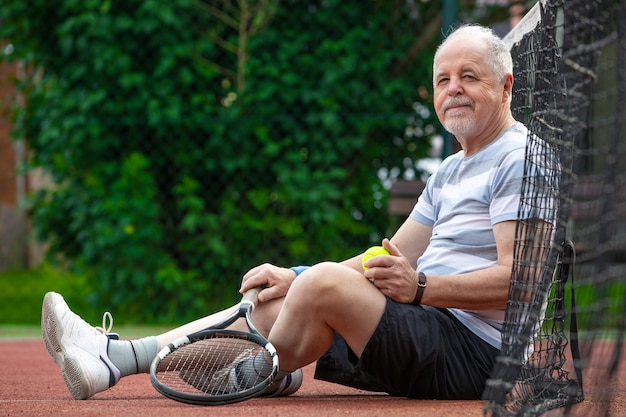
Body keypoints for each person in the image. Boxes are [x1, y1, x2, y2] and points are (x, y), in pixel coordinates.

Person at [42, 24, 530, 401]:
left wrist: (422, 288)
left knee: (318, 284)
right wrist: (297, 277)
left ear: (506, 87)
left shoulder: (519, 156)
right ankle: (114, 359)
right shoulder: (449, 170)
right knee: (276, 294)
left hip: (481, 356)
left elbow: (522, 282)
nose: (454, 89)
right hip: (431, 325)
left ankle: (257, 375)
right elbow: (389, 257)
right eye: (443, 80)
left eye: (470, 77)